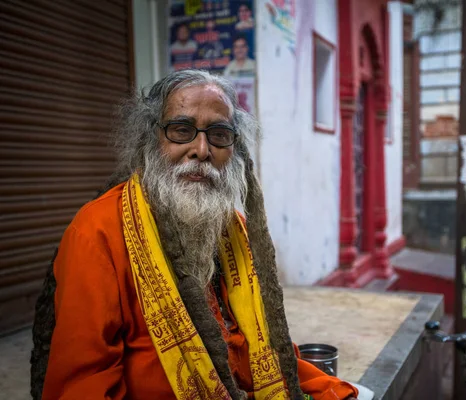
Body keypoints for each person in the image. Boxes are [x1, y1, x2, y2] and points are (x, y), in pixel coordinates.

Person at [30, 70, 358, 400]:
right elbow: (83, 384)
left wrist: (333, 391)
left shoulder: (231, 227)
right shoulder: (97, 231)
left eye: (218, 134)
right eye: (181, 130)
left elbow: (256, 347)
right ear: (151, 139)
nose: (201, 150)